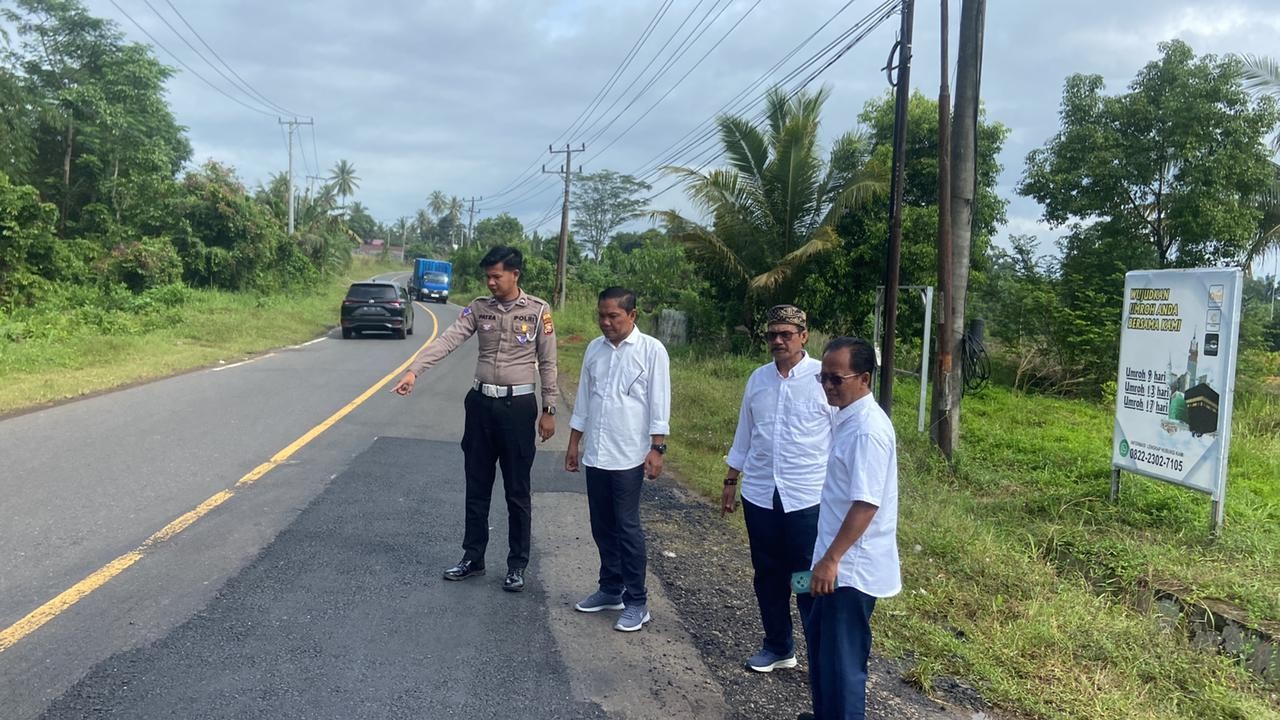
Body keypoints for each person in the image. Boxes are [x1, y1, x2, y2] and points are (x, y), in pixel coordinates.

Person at [392, 245, 558, 593]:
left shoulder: (538, 310)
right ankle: (473, 557)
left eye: (497, 276)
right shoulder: (479, 308)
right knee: (477, 486)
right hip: (481, 405)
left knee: (517, 491)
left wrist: (549, 409)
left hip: (518, 408)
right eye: (488, 277)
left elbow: (548, 362)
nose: (491, 282)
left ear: (515, 274)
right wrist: (414, 371)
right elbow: (448, 340)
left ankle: (517, 565)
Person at [723, 304, 835, 673]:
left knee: (806, 578)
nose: (778, 340)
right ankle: (778, 646)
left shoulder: (824, 380)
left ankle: (820, 659)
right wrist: (731, 479)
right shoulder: (758, 379)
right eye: (772, 334)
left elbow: (841, 440)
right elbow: (744, 433)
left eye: (786, 334)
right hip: (760, 494)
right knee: (768, 574)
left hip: (807, 498)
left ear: (804, 336)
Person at [797, 337, 900, 720]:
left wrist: (831, 560)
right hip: (833, 561)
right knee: (823, 651)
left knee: (842, 665)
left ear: (865, 379)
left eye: (836, 379)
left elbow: (866, 504)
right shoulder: (848, 418)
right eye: (822, 378)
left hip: (849, 569)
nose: (827, 386)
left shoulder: (867, 431)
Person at [565, 287, 671, 633]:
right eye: (601, 316)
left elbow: (659, 403)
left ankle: (637, 601)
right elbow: (584, 400)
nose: (606, 322)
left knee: (627, 527)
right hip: (597, 453)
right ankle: (611, 589)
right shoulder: (594, 349)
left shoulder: (651, 350)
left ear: (632, 315)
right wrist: (574, 443)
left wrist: (657, 449)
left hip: (629, 455)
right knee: (601, 525)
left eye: (613, 316)